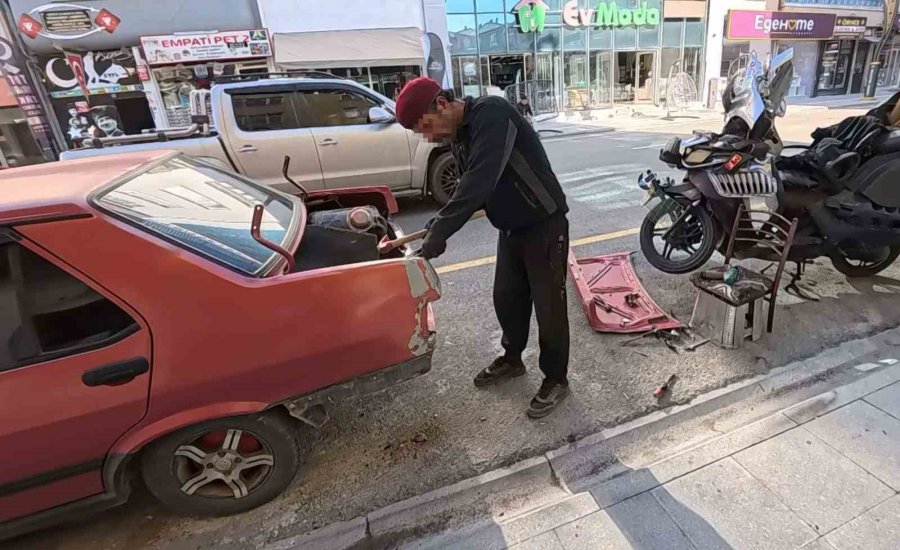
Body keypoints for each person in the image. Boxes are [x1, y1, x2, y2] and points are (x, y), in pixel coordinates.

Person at [395, 77, 570, 419]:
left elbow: (480, 180)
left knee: (549, 307)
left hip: (543, 224)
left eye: (427, 127)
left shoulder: (492, 113)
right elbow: (467, 189)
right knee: (506, 297)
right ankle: (512, 358)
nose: (429, 137)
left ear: (442, 104)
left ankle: (556, 378)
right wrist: (435, 225)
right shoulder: (460, 136)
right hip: (511, 227)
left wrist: (442, 232)